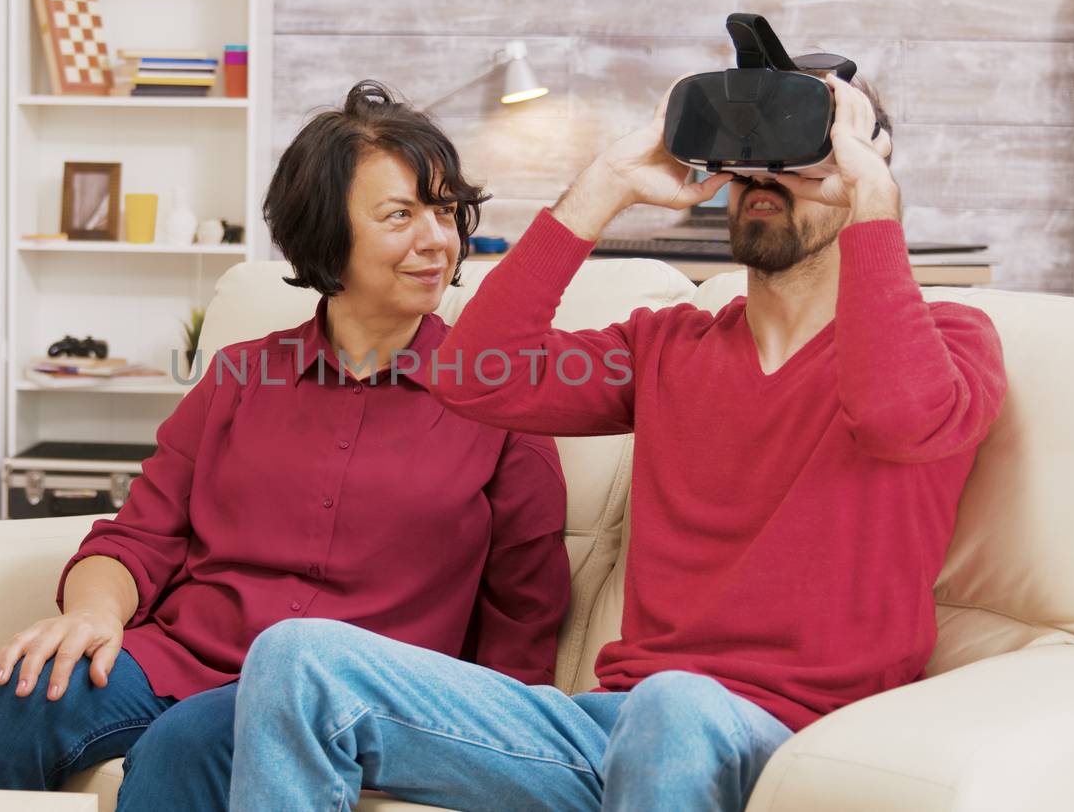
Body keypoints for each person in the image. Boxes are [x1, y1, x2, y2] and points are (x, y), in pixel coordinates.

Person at [228, 73, 1008, 811]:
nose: (765, 179)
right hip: (615, 728)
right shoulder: (666, 347)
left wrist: (874, 198)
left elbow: (895, 418)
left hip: (793, 745)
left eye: (805, 157)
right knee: (298, 660)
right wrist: (605, 184)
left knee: (677, 702)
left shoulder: (949, 343)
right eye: (751, 158)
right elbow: (469, 376)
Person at [0, 80, 570, 810]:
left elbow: (523, 617)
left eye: (444, 211)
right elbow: (137, 536)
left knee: (194, 739)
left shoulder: (500, 400)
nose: (436, 239)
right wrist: (91, 616)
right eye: (401, 215)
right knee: (28, 690)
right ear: (326, 233)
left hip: (342, 695)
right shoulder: (240, 375)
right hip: (182, 656)